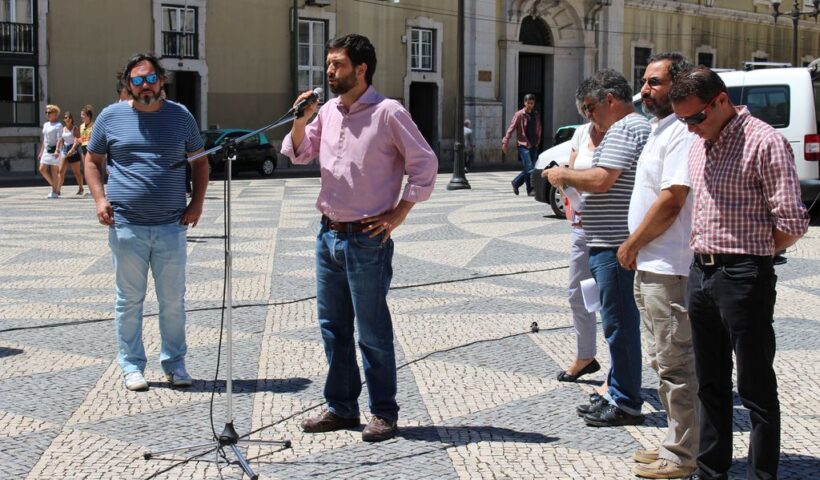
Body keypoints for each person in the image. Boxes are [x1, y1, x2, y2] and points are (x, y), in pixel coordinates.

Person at [281, 34, 437, 443]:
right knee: (333, 327)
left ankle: (383, 411)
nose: (329, 72)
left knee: (371, 330)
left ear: (361, 68)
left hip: (367, 239)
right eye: (329, 64)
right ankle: (342, 407)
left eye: (337, 65)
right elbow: (299, 152)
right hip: (327, 235)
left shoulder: (389, 113)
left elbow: (425, 164)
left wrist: (400, 212)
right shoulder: (328, 112)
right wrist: (300, 118)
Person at [670, 67, 809, 480]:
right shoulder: (697, 144)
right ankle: (711, 472)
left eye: (697, 118)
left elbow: (792, 221)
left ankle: (762, 474)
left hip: (744, 274)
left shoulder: (765, 141)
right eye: (683, 121)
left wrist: (753, 257)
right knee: (709, 384)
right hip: (701, 273)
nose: (692, 129)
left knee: (755, 387)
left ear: (720, 101)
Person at [84, 52, 207, 392]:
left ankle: (175, 363)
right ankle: (132, 365)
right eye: (137, 81)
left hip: (171, 225)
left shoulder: (180, 116)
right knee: (129, 300)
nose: (144, 86)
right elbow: (92, 161)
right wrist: (99, 199)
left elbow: (200, 162)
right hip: (126, 226)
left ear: (161, 80)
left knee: (172, 300)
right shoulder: (110, 117)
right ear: (129, 85)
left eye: (150, 78)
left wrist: (196, 202)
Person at [546, 70, 650, 427]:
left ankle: (626, 401)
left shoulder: (625, 127)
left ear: (610, 99)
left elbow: (602, 179)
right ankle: (619, 390)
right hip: (607, 237)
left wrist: (563, 176)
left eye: (591, 107)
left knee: (619, 322)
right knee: (617, 320)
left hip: (614, 241)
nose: (588, 116)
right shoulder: (631, 128)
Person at [616, 53, 699, 479]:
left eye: (654, 83)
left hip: (669, 264)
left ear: (679, 86)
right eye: (644, 82)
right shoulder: (658, 129)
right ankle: (675, 440)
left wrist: (632, 244)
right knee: (662, 361)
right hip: (651, 262)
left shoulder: (681, 134)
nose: (645, 90)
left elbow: (672, 200)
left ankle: (684, 455)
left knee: (677, 362)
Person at [551, 115, 604, 385]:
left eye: (592, 105)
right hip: (582, 225)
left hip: (612, 227)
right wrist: (562, 180)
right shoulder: (582, 133)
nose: (588, 112)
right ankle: (585, 355)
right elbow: (571, 173)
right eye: (584, 107)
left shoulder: (621, 133)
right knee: (577, 292)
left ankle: (621, 370)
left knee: (613, 299)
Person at [502, 93, 541, 196]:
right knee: (529, 167)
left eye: (532, 103)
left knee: (530, 168)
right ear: (524, 103)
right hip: (523, 145)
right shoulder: (519, 114)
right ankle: (530, 189)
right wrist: (505, 141)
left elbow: (538, 128)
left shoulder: (536, 114)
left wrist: (538, 140)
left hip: (534, 145)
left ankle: (516, 182)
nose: (530, 105)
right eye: (528, 103)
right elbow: (511, 128)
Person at [55, 111, 84, 196]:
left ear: (71, 119)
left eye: (67, 117)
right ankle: (58, 190)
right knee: (60, 171)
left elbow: (77, 140)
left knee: (76, 172)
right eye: (64, 117)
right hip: (65, 149)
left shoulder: (75, 129)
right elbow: (61, 140)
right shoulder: (63, 129)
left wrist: (72, 149)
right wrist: (57, 149)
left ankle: (81, 188)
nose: (65, 119)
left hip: (73, 150)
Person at [39, 105, 63, 199]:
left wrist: (57, 150)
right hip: (46, 149)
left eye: (49, 112)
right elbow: (45, 140)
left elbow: (59, 139)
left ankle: (54, 191)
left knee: (54, 170)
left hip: (54, 149)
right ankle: (55, 187)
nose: (47, 114)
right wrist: (41, 152)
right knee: (42, 169)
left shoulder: (58, 125)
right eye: (46, 112)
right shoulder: (46, 124)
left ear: (55, 114)